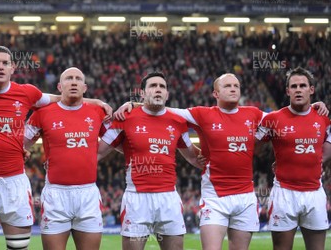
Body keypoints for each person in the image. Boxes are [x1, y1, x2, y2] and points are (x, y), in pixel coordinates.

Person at [115, 72, 327, 250]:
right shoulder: (201, 114)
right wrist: (133, 104)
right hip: (215, 197)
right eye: (227, 85)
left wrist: (313, 106)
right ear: (216, 93)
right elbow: (161, 108)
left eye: (236, 85)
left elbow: (288, 117)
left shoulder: (254, 114)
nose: (233, 88)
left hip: (245, 197)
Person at [0, 46, 111, 250]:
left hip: (15, 182)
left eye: (5, 63)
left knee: (18, 248)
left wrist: (94, 101)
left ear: (12, 68)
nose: (0, 67)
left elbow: (60, 100)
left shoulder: (26, 92)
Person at [101, 72, 201, 250]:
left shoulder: (178, 121)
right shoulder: (125, 118)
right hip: (136, 199)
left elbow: (194, 157)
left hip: (169, 197)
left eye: (162, 87)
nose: (158, 89)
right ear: (142, 93)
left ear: (167, 94)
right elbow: (97, 152)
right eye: (153, 86)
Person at [23, 67, 109, 250]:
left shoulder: (98, 112)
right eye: (69, 78)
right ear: (59, 86)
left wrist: (96, 155)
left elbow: (118, 140)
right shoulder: (43, 113)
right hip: (56, 194)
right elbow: (20, 143)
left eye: (78, 78)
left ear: (84, 87)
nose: (74, 81)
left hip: (88, 194)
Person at [256, 67, 331, 250]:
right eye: (294, 86)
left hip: (314, 193)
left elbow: (327, 145)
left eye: (303, 86)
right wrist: (272, 160)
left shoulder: (323, 118)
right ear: (287, 91)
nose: (298, 89)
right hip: (284, 194)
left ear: (311, 90)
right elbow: (253, 146)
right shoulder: (273, 119)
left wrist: (318, 160)